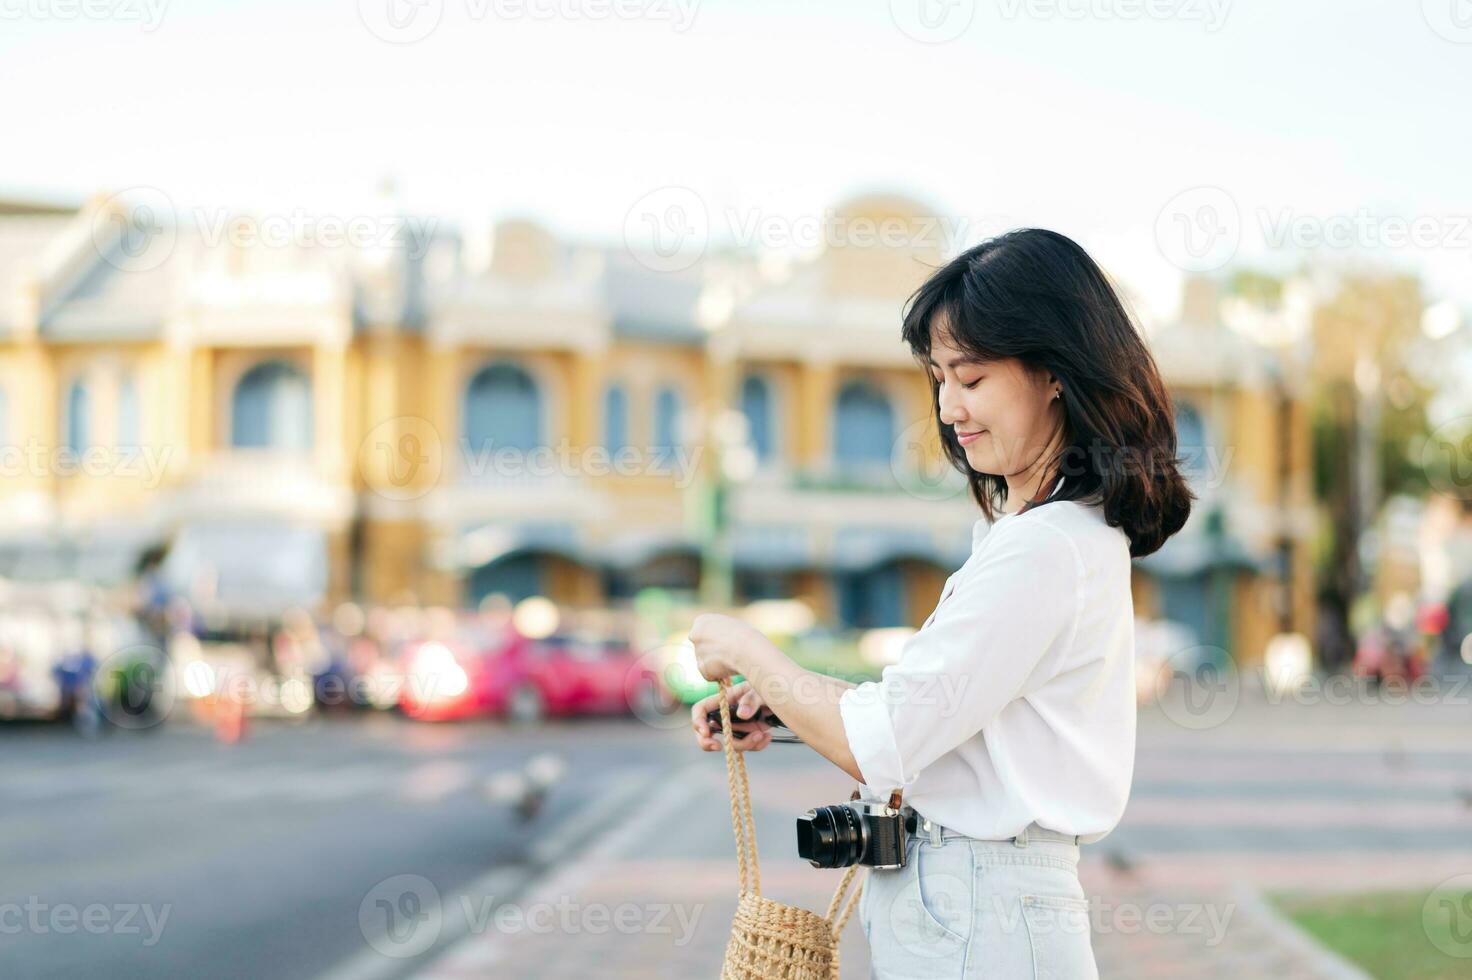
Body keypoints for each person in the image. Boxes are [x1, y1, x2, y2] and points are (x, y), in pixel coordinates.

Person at [689, 228, 1193, 978]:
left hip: (982, 906)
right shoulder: (1035, 536)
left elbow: (884, 738)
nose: (950, 405)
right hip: (975, 903)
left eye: (972, 376)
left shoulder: (1045, 547)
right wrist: (781, 698)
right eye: (938, 378)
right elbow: (934, 715)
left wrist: (743, 647)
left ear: (1053, 372)